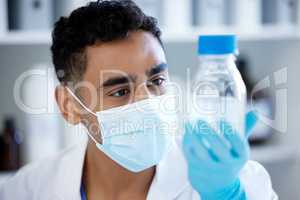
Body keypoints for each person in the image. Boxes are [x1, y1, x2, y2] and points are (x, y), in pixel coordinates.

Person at [0, 1, 277, 199]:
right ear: (69, 105)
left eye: (157, 81)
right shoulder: (28, 189)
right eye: (120, 91)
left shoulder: (235, 182)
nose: (148, 104)